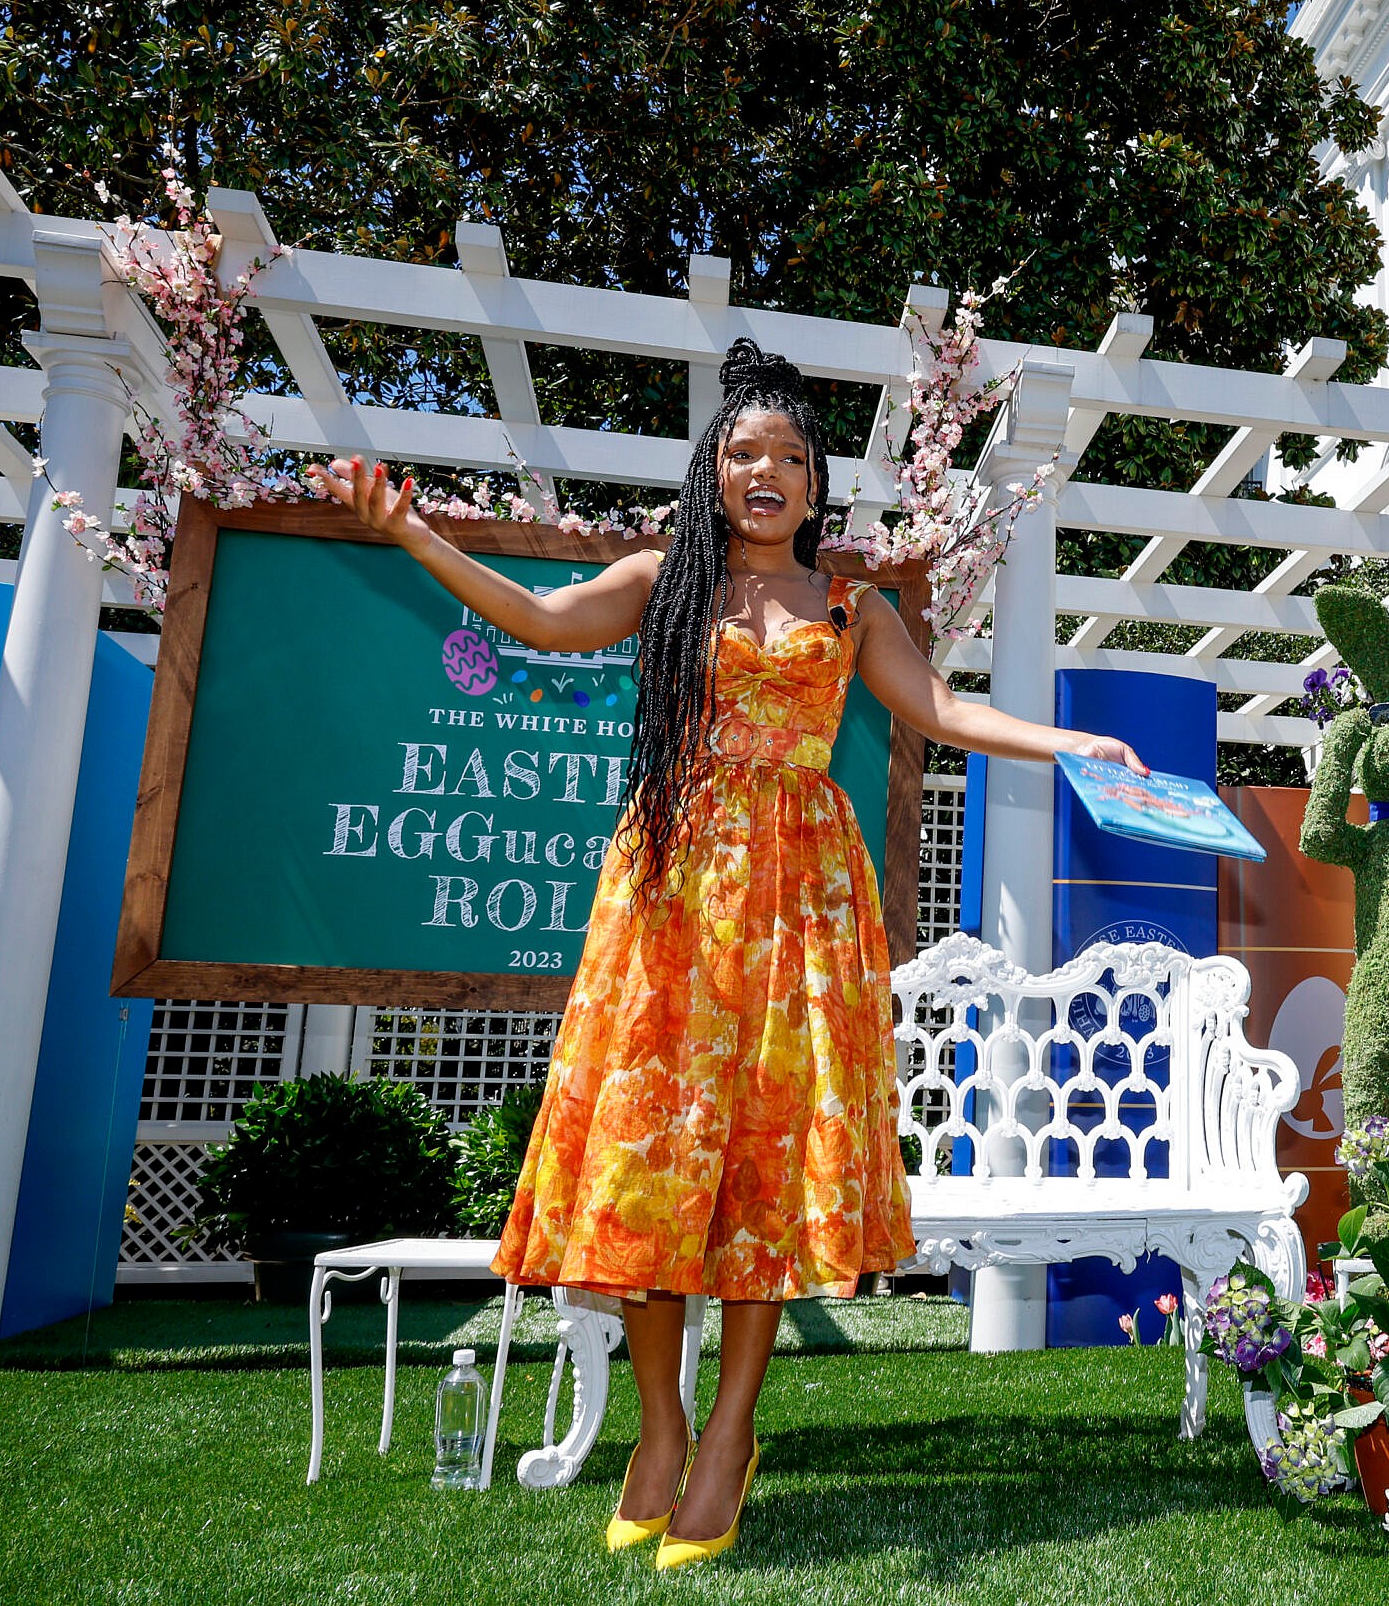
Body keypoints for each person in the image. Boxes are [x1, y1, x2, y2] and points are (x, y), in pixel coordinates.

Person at [310, 340, 1143, 1569]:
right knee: (651, 1157)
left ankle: (730, 1437)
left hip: (801, 898)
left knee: (763, 1165)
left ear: (815, 489)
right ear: (713, 475)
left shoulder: (857, 609)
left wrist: (1067, 746)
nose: (767, 471)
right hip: (673, 891)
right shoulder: (663, 583)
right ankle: (661, 1433)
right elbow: (537, 618)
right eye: (745, 452)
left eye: (792, 458)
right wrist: (409, 533)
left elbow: (944, 712)